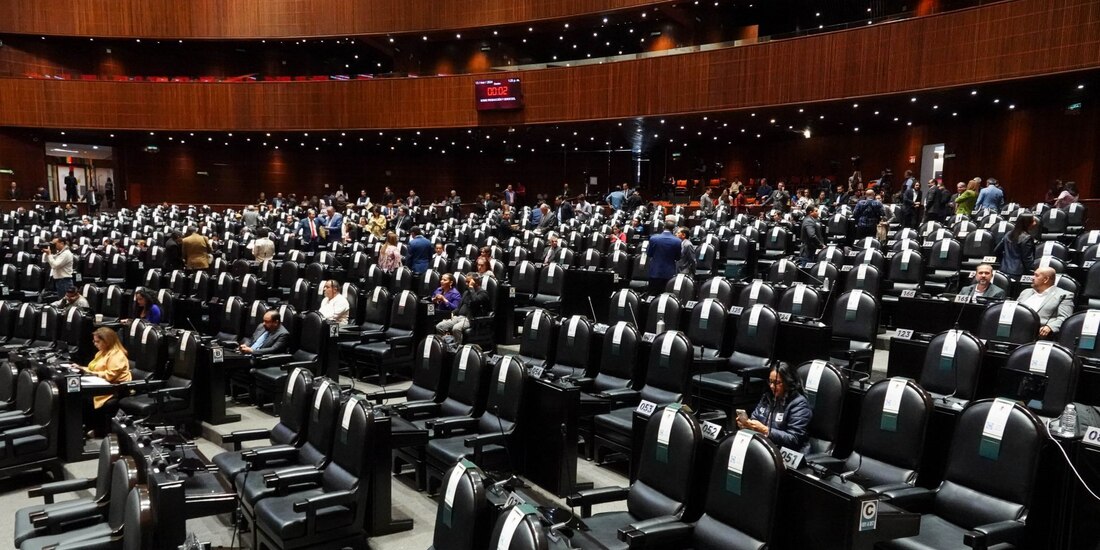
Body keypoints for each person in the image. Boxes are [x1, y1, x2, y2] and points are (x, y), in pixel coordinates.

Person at [736, 362, 813, 454]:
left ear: (788, 382)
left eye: (777, 383)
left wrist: (765, 430)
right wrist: (748, 425)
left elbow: (794, 439)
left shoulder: (799, 404)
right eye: (770, 381)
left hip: (789, 453)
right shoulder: (767, 397)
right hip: (765, 449)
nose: (772, 386)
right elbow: (755, 418)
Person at [75, 327, 131, 437]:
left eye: (97, 341)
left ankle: (97, 430)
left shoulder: (117, 355)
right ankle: (86, 427)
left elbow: (110, 375)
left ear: (107, 341)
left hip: (115, 388)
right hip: (100, 384)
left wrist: (91, 373)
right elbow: (93, 369)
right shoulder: (102, 352)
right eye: (94, 341)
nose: (95, 344)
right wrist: (81, 368)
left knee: (87, 398)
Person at [436, 273, 491, 345]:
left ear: (476, 282)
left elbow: (475, 301)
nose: (466, 284)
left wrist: (471, 288)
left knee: (456, 328)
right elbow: (459, 307)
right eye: (466, 282)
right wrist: (452, 313)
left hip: (471, 319)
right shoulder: (466, 292)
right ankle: (446, 345)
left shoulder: (483, 293)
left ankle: (457, 347)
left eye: (468, 282)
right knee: (440, 326)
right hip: (458, 317)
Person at [1017, 266, 1074, 337]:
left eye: (1036, 275)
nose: (1032, 278)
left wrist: (1050, 327)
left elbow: (1065, 318)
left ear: (1046, 279)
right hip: (1017, 327)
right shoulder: (1025, 292)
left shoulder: (1063, 295)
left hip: (1038, 333)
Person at [994, 213, 1035, 277]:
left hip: (1004, 270)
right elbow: (1027, 259)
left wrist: (1004, 261)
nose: (1035, 223)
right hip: (1019, 273)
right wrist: (1032, 272)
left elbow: (997, 251)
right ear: (1027, 223)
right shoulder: (1027, 238)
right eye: (1033, 221)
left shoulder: (1008, 234)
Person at [647, 217, 681, 294]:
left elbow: (649, 254)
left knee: (653, 295)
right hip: (669, 272)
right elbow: (678, 258)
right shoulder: (677, 241)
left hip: (655, 271)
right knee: (666, 294)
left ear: (663, 227)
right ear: (673, 229)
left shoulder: (653, 238)